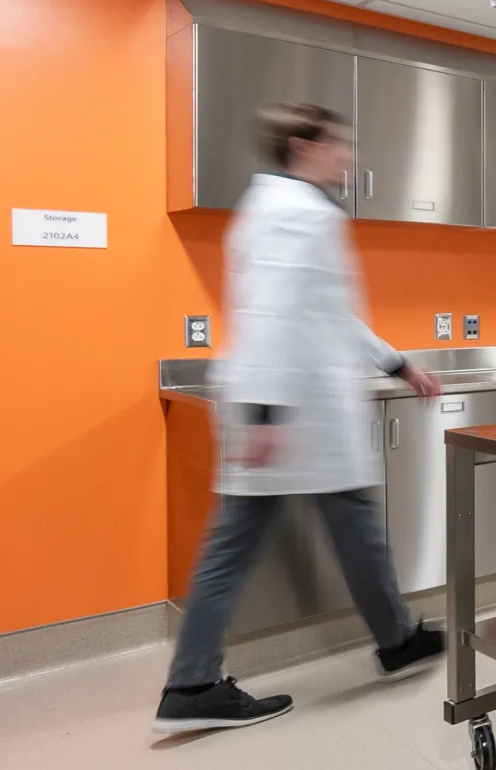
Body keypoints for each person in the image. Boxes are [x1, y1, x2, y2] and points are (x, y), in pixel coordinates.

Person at [154, 102, 446, 734]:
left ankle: (197, 680)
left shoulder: (277, 212)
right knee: (311, 535)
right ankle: (196, 682)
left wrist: (397, 364)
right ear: (306, 147)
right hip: (293, 417)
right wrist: (264, 415)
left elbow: (325, 315)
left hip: (290, 415)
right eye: (341, 146)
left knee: (315, 536)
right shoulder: (297, 216)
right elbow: (272, 316)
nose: (349, 158)